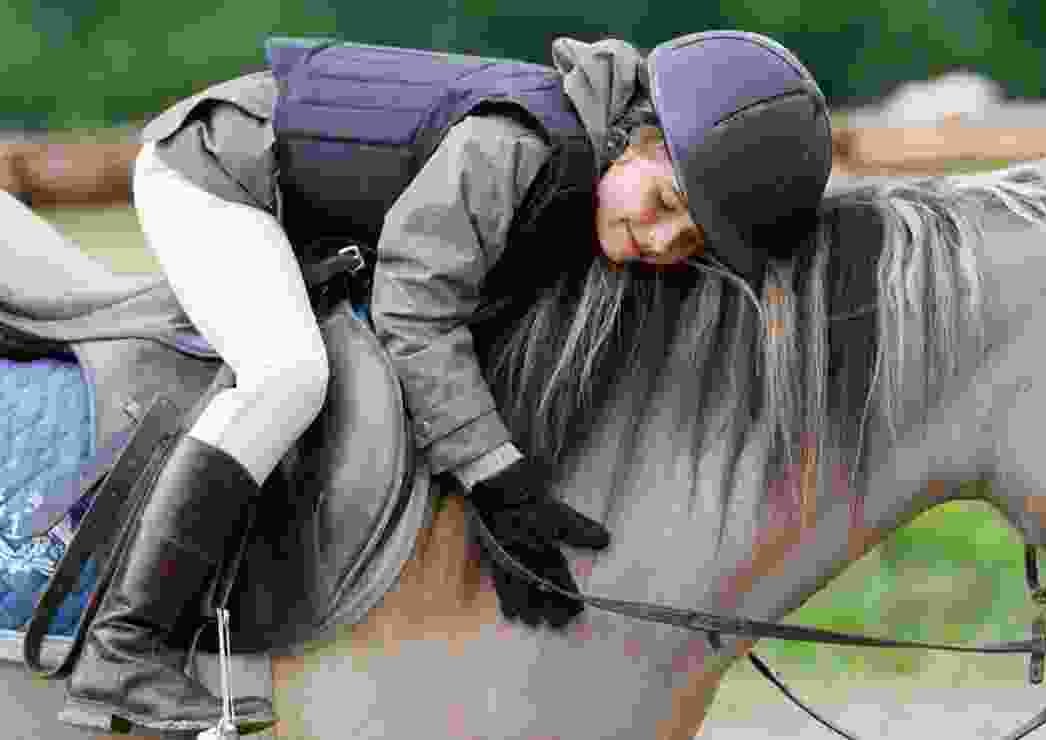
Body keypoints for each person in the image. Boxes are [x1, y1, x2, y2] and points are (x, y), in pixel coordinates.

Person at [63, 29, 832, 734]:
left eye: (688, 240)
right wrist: (495, 478)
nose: (656, 241)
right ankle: (124, 645)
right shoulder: (517, 145)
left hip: (302, 210)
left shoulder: (591, 176)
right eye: (664, 202)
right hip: (215, 175)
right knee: (287, 374)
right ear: (637, 138)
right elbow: (415, 306)